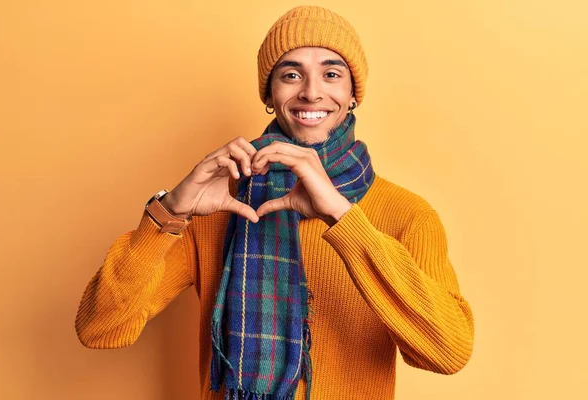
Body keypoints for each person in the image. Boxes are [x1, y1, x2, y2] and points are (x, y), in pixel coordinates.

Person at [75, 5, 474, 400]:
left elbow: (448, 351)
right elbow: (101, 328)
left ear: (353, 95)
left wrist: (341, 215)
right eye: (291, 74)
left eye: (331, 74)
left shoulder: (406, 214)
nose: (312, 91)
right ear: (270, 93)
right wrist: (170, 212)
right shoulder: (218, 205)